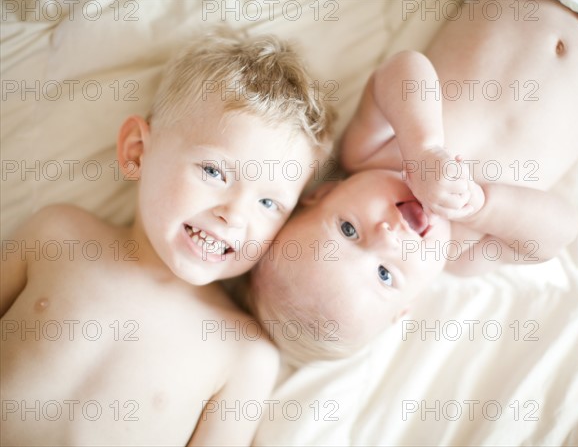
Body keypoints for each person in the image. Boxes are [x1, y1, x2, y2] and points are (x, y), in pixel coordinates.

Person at [0, 29, 334, 446]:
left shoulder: (244, 355)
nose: (234, 215)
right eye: (214, 172)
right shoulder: (57, 235)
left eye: (269, 204)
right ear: (138, 151)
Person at [245, 0, 578, 365]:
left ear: (326, 192)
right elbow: (560, 230)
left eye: (348, 230)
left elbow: (404, 69)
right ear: (407, 305)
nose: (387, 234)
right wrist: (479, 207)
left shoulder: (368, 154)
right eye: (384, 274)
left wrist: (423, 148)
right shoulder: (462, 254)